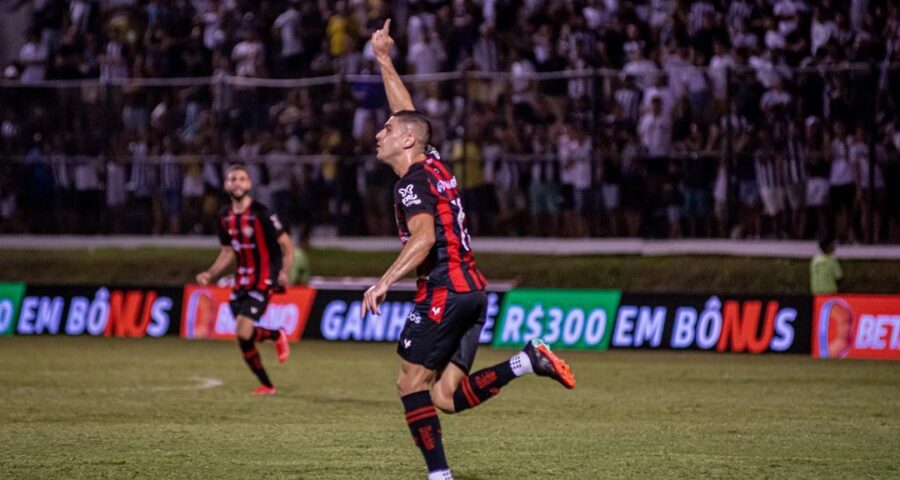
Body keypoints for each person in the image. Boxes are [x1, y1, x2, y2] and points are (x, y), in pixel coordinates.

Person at [360, 20, 576, 480]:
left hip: (444, 290)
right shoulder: (432, 162)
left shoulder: (413, 183)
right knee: (445, 398)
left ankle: (440, 477)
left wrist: (382, 282)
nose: (378, 133)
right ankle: (527, 360)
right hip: (473, 290)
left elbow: (424, 239)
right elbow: (408, 115)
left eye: (386, 129)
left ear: (405, 141)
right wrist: (382, 58)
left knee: (409, 383)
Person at [196, 164, 294, 395]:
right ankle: (267, 382)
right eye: (233, 179)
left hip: (263, 279)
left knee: (242, 330)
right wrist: (210, 273)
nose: (237, 183)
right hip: (240, 280)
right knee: (244, 337)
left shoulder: (262, 213)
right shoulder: (224, 217)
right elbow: (228, 251)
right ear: (226, 185)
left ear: (249, 184)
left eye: (242, 179)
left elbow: (286, 245)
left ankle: (275, 338)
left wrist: (283, 273)